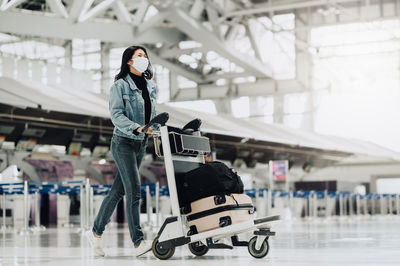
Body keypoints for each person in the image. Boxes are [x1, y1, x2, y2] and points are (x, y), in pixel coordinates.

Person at [85, 45, 159, 257]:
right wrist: (135, 127)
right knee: (134, 191)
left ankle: (95, 232)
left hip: (141, 143)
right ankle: (138, 242)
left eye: (145, 55)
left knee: (118, 191)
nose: (144, 58)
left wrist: (152, 128)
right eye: (139, 55)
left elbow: (151, 113)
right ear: (129, 61)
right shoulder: (120, 86)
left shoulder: (150, 85)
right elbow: (116, 115)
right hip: (123, 142)